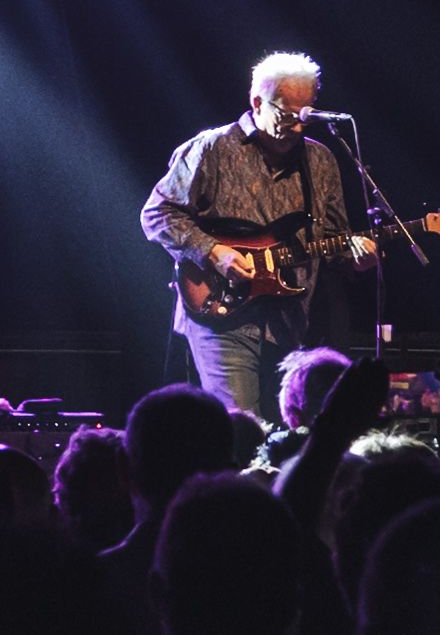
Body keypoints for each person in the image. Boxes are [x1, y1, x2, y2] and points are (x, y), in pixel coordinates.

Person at [136, 50, 421, 427]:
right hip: (221, 317)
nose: (298, 126)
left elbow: (332, 242)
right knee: (242, 427)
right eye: (287, 114)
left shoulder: (320, 162)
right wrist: (213, 251)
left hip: (290, 322)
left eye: (305, 114)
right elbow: (156, 213)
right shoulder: (212, 148)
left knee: (289, 430)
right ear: (257, 102)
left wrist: (358, 257)